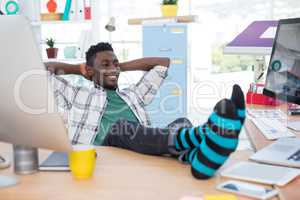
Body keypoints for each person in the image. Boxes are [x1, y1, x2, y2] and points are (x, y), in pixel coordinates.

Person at [45, 42, 246, 179]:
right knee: (121, 128)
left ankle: (198, 161)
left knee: (182, 122)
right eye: (105, 64)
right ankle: (206, 135)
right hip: (105, 159)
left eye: (115, 63)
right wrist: (81, 69)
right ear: (89, 71)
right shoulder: (78, 94)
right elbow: (41, 70)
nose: (113, 69)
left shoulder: (133, 94)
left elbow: (162, 64)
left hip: (143, 154)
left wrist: (117, 66)